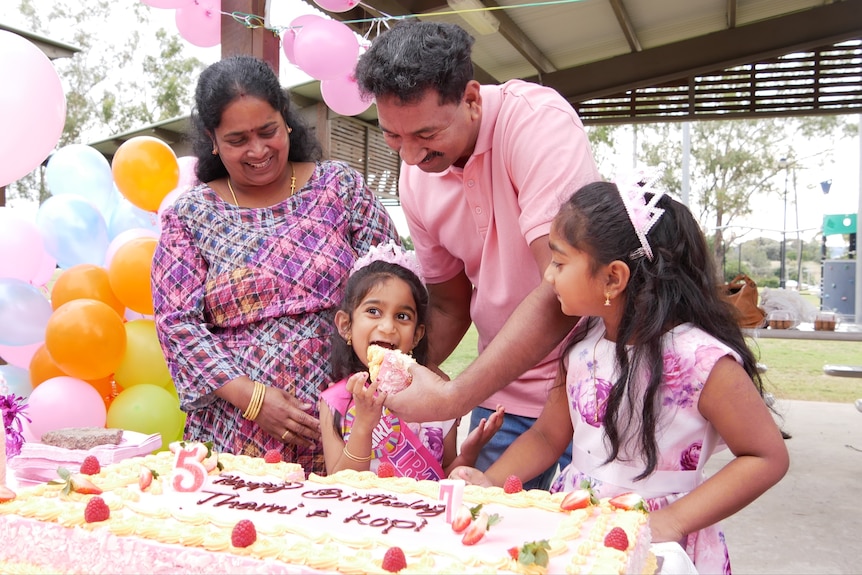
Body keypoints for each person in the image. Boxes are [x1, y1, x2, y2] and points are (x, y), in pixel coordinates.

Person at [449, 178, 790, 573]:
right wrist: (491, 483)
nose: (548, 277)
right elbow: (547, 436)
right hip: (576, 524)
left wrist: (673, 520)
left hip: (658, 539)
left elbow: (765, 456)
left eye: (559, 263)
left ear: (613, 278)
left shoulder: (703, 362)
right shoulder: (583, 342)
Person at [355, 20, 601, 490]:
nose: (409, 156)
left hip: (584, 395)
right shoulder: (415, 176)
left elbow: (561, 288)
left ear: (471, 99)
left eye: (425, 133)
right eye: (392, 136)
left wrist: (452, 397)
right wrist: (394, 374)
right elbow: (448, 303)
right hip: (500, 399)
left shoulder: (537, 122)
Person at [152, 56, 400, 475]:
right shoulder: (191, 215)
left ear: (286, 120)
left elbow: (395, 282)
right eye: (237, 139)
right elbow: (177, 323)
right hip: (234, 437)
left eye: (267, 130)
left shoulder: (340, 189)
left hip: (348, 431)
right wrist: (252, 398)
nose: (258, 150)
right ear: (212, 140)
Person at [319, 241, 504, 479]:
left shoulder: (436, 396)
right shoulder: (335, 402)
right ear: (346, 325)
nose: (387, 327)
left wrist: (469, 453)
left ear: (417, 335)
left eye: (402, 316)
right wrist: (363, 424)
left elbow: (444, 476)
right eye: (373, 311)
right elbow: (339, 486)